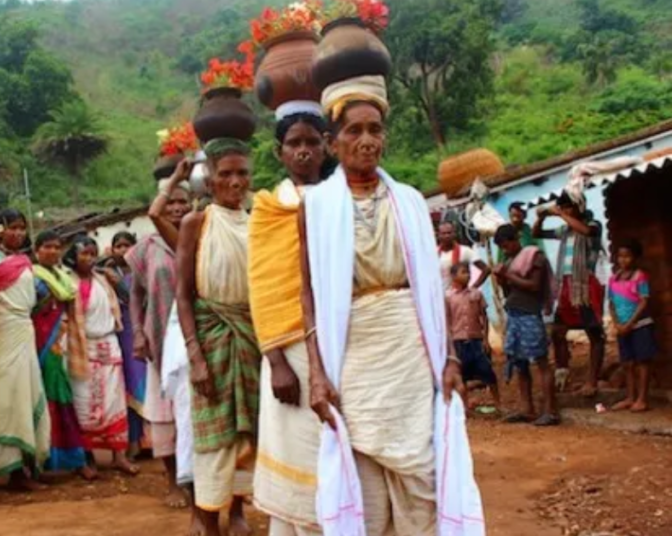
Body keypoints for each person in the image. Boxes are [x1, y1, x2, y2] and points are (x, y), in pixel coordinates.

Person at [301, 95, 482, 534]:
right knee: (364, 482)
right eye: (354, 131)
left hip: (412, 355)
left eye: (375, 130)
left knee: (422, 482)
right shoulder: (316, 205)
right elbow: (307, 289)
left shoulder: (411, 202)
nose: (366, 140)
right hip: (353, 355)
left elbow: (428, 284)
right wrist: (317, 372)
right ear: (332, 142)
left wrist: (452, 357)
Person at [247, 101, 327, 536]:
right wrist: (276, 360)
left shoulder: (338, 202)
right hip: (287, 352)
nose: (303, 151)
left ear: (326, 147)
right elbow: (262, 286)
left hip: (332, 346)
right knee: (295, 447)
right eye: (293, 143)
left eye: (311, 142)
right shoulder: (268, 208)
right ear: (279, 152)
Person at [175, 137, 260, 536]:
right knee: (213, 436)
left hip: (250, 336)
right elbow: (183, 293)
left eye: (242, 173)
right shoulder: (197, 223)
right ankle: (208, 516)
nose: (235, 181)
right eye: (225, 173)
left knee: (248, 431)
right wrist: (194, 354)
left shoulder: (260, 220)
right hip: (211, 338)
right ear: (210, 180)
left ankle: (238, 509)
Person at [128, 169, 193, 513]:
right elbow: (136, 294)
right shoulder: (147, 248)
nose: (178, 208)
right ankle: (173, 482)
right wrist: (138, 331)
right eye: (172, 203)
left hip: (196, 338)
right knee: (165, 413)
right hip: (159, 341)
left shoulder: (201, 236)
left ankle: (207, 485)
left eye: (184, 201)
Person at [0, 209, 51, 490]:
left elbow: (39, 298)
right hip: (1, 333)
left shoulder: (25, 261)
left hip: (24, 330)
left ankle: (27, 464)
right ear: (0, 229)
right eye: (12, 227)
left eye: (22, 228)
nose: (17, 233)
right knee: (4, 398)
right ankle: (4, 470)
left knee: (29, 392)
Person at [66, 235, 140, 475]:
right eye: (83, 253)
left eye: (92, 253)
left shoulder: (104, 279)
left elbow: (127, 299)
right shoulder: (67, 282)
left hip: (109, 344)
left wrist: (115, 280)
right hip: (82, 347)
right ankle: (86, 460)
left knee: (115, 402)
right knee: (84, 404)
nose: (88, 258)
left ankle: (119, 455)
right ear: (73, 257)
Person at [31, 230, 95, 480]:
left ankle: (72, 458)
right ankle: (46, 461)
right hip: (44, 343)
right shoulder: (33, 276)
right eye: (47, 247)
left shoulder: (63, 278)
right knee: (50, 397)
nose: (53, 251)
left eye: (57, 247)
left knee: (64, 399)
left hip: (66, 342)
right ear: (36, 250)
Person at [533, 191, 605, 396]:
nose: (564, 211)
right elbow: (538, 233)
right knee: (558, 330)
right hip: (566, 286)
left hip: (584, 285)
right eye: (562, 207)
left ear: (579, 208)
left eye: (568, 207)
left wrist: (559, 214)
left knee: (594, 333)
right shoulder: (564, 229)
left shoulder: (593, 225)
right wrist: (541, 217)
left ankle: (592, 381)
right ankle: (562, 373)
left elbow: (585, 231)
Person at [494, 224, 558, 426]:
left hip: (530, 314)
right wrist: (502, 279)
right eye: (502, 248)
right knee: (519, 363)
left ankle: (550, 410)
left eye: (507, 245)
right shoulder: (510, 261)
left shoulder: (534, 256)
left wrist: (507, 275)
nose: (505, 250)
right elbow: (508, 292)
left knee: (541, 362)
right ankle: (527, 408)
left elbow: (534, 286)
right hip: (514, 314)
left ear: (516, 239)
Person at [103, 232, 148, 454]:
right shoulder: (105, 274)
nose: (122, 250)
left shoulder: (142, 272)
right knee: (126, 388)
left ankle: (151, 441)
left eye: (127, 245)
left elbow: (138, 301)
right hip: (120, 335)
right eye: (118, 246)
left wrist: (119, 284)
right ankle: (133, 441)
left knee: (144, 385)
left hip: (141, 332)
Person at [609, 240, 657, 413]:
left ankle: (642, 398)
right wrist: (617, 323)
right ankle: (630, 397)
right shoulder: (613, 278)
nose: (623, 260)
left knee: (642, 362)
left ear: (635, 258)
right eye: (620, 256)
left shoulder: (639, 276)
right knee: (627, 363)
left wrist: (630, 323)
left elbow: (643, 302)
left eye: (627, 256)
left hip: (640, 325)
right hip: (623, 327)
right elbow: (611, 303)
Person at [446, 262, 501, 413]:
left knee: (488, 373)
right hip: (458, 341)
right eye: (464, 272)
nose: (468, 275)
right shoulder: (448, 297)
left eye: (468, 272)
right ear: (453, 276)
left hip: (476, 340)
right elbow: (447, 320)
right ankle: (464, 407)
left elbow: (484, 316)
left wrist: (485, 338)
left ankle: (498, 404)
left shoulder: (476, 294)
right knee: (462, 376)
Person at [438, 221, 488, 289]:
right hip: (439, 296)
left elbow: (486, 269)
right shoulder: (433, 253)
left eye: (449, 233)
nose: (447, 236)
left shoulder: (465, 250)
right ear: (438, 235)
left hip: (459, 296)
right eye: (443, 233)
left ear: (454, 234)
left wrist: (473, 287)